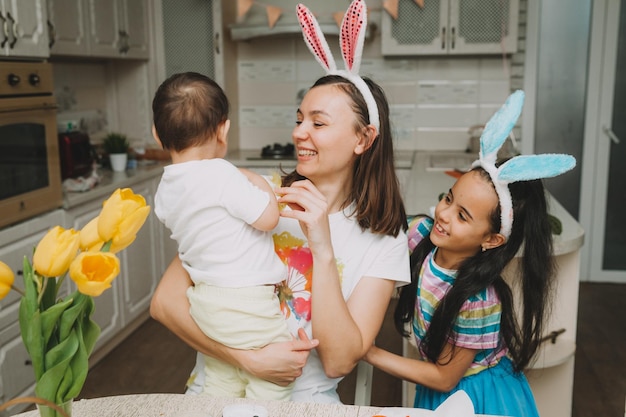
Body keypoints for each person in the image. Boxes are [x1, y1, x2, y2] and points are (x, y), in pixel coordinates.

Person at [150, 0, 411, 403]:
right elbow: (165, 304)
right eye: (298, 119)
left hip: (304, 404)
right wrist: (246, 359)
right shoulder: (255, 198)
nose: (299, 133)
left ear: (363, 139)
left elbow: (339, 363)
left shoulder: (384, 238)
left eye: (318, 123)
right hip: (216, 389)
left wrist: (322, 248)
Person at [363, 90, 576, 416]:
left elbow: (445, 378)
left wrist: (368, 352)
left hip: (477, 396)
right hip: (438, 385)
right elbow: (373, 231)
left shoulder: (479, 301)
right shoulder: (421, 233)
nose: (444, 214)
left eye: (463, 216)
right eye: (449, 199)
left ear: (491, 240)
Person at [151, 71, 293, 400]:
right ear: (223, 130)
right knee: (275, 381)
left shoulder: (164, 191)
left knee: (221, 376)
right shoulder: (223, 175)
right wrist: (257, 182)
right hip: (248, 304)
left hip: (205, 304)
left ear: (157, 135)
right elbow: (269, 219)